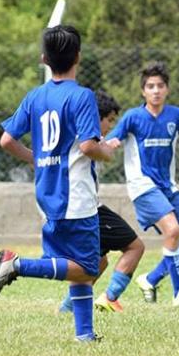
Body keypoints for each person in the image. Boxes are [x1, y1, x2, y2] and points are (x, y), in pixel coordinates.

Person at [0, 24, 115, 342]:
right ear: (78, 57)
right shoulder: (82, 96)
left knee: (73, 264)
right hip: (76, 195)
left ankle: (85, 334)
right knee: (88, 267)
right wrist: (107, 152)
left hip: (46, 191)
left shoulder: (35, 96)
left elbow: (6, 140)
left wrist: (37, 159)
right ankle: (17, 265)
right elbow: (88, 146)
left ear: (44, 59)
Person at [106, 62, 179, 306]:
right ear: (143, 91)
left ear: (167, 89)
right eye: (150, 86)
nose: (156, 90)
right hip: (142, 186)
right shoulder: (133, 117)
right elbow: (110, 140)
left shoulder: (176, 115)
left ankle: (150, 279)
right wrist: (112, 143)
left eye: (160, 86)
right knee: (172, 230)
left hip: (168, 187)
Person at [58, 90, 146, 314]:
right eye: (110, 120)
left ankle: (67, 308)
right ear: (97, 117)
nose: (110, 126)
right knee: (135, 247)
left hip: (76, 206)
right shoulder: (87, 138)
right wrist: (107, 150)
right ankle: (109, 298)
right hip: (87, 208)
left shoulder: (72, 130)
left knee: (98, 262)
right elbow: (91, 149)